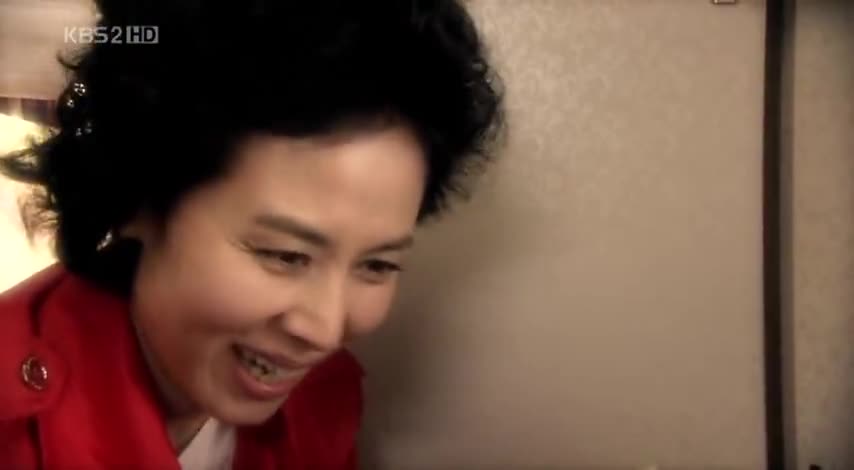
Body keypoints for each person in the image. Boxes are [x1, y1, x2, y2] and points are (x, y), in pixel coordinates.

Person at [0, 0, 504, 468]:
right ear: (140, 197)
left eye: (377, 264)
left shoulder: (325, 399)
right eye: (284, 255)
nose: (325, 330)